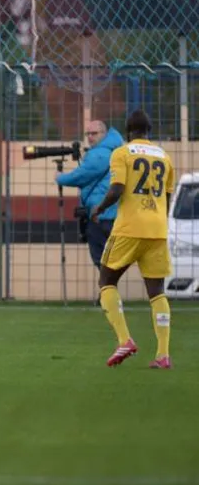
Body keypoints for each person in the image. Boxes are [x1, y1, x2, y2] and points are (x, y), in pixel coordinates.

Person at [90, 109, 174, 369]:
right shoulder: (164, 157)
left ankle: (124, 340)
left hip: (128, 229)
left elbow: (117, 189)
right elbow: (166, 197)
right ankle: (163, 354)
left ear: (128, 132)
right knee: (157, 292)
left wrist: (100, 208)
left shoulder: (122, 153)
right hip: (157, 230)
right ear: (149, 132)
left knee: (106, 280)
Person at [55, 120, 124, 267]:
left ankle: (107, 282)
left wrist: (60, 177)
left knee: (101, 261)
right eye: (88, 134)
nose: (90, 137)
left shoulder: (99, 154)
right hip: (114, 216)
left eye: (94, 133)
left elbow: (80, 176)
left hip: (99, 216)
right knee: (110, 262)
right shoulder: (115, 150)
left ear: (104, 133)